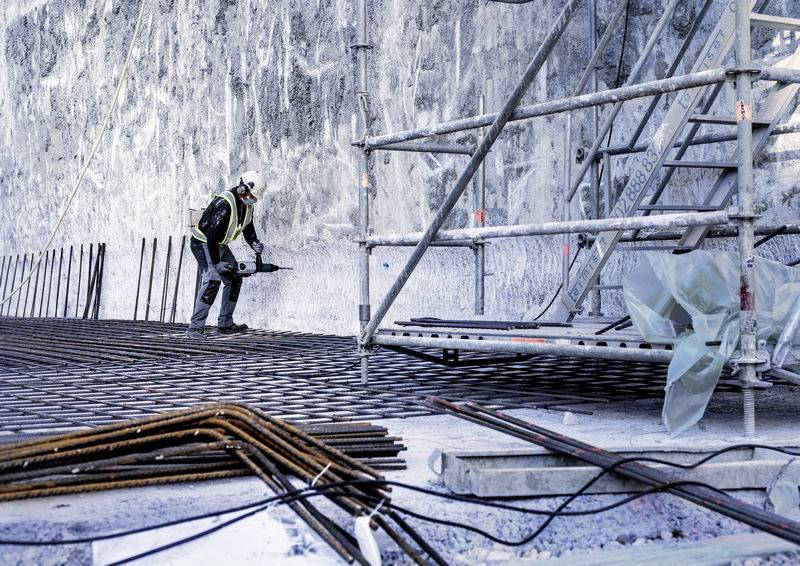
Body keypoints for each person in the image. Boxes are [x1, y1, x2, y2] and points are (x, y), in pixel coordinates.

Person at [187, 170, 267, 338]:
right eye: (251, 194)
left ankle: (225, 323)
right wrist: (216, 263)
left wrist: (254, 242)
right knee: (213, 280)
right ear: (242, 189)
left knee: (234, 278)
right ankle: (195, 328)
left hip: (219, 244)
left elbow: (247, 227)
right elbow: (211, 236)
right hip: (204, 243)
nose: (253, 198)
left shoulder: (246, 205)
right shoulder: (225, 203)